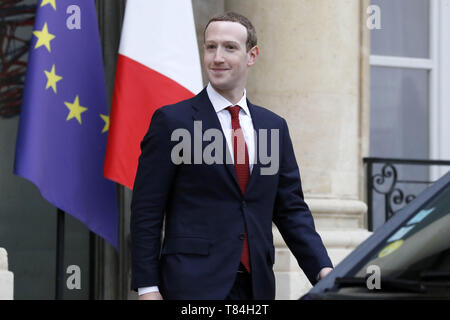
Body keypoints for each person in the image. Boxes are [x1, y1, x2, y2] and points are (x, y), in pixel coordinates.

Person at [130, 12, 333, 300]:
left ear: (252, 55)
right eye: (210, 47)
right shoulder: (172, 122)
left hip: (256, 287)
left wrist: (322, 269)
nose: (217, 57)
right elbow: (146, 211)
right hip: (190, 287)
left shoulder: (273, 126)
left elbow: (290, 209)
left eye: (229, 47)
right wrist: (148, 287)